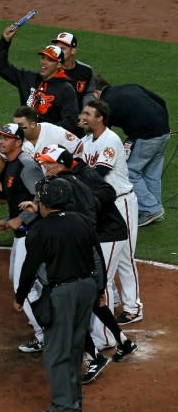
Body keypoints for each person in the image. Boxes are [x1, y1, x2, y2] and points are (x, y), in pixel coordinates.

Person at [32, 146, 138, 384]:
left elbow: (104, 195)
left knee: (87, 295)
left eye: (48, 163)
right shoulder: (63, 181)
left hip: (105, 236)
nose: (44, 166)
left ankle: (97, 352)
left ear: (61, 164)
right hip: (94, 238)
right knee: (87, 296)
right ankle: (123, 341)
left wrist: (84, 202)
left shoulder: (78, 178)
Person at [14, 177, 98, 412]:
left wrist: (20, 297)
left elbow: (30, 267)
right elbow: (96, 258)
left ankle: (64, 410)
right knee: (74, 347)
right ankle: (74, 403)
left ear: (46, 202)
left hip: (62, 293)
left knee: (57, 352)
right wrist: (100, 289)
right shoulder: (82, 221)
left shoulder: (41, 230)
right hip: (87, 289)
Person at [76, 99, 143, 332]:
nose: (82, 116)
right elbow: (74, 165)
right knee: (106, 253)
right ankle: (113, 298)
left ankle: (133, 307)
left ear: (100, 118)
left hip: (121, 201)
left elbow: (99, 173)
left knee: (126, 255)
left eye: (87, 113)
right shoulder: (85, 141)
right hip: (101, 204)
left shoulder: (110, 140)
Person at [0, 124, 46, 353]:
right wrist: (11, 219)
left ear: (18, 141)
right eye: (1, 138)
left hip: (31, 234)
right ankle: (46, 316)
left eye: (7, 138)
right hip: (21, 234)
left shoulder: (26, 164)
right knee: (19, 277)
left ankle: (43, 333)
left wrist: (21, 219)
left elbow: (43, 194)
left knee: (23, 286)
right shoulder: (12, 163)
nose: (2, 142)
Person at [93, 75, 171, 227]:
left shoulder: (105, 104)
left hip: (146, 137)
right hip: (164, 133)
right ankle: (155, 209)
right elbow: (161, 101)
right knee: (151, 173)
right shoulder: (131, 86)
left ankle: (151, 209)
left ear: (96, 93)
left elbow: (104, 134)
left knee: (131, 172)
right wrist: (165, 125)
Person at [0, 27, 80, 134]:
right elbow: (0, 67)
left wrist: (41, 132)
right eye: (43, 58)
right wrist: (4, 41)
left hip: (48, 141)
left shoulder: (66, 89)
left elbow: (70, 122)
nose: (44, 62)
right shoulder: (28, 78)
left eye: (50, 60)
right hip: (23, 135)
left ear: (58, 64)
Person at [12, 106, 80, 158]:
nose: (16, 128)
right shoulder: (13, 135)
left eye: (20, 125)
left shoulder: (54, 132)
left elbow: (79, 147)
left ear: (33, 125)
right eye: (15, 124)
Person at [51, 32, 95, 109]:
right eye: (56, 49)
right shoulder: (51, 71)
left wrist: (85, 114)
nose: (58, 52)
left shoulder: (86, 70)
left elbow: (89, 93)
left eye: (62, 48)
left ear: (73, 51)